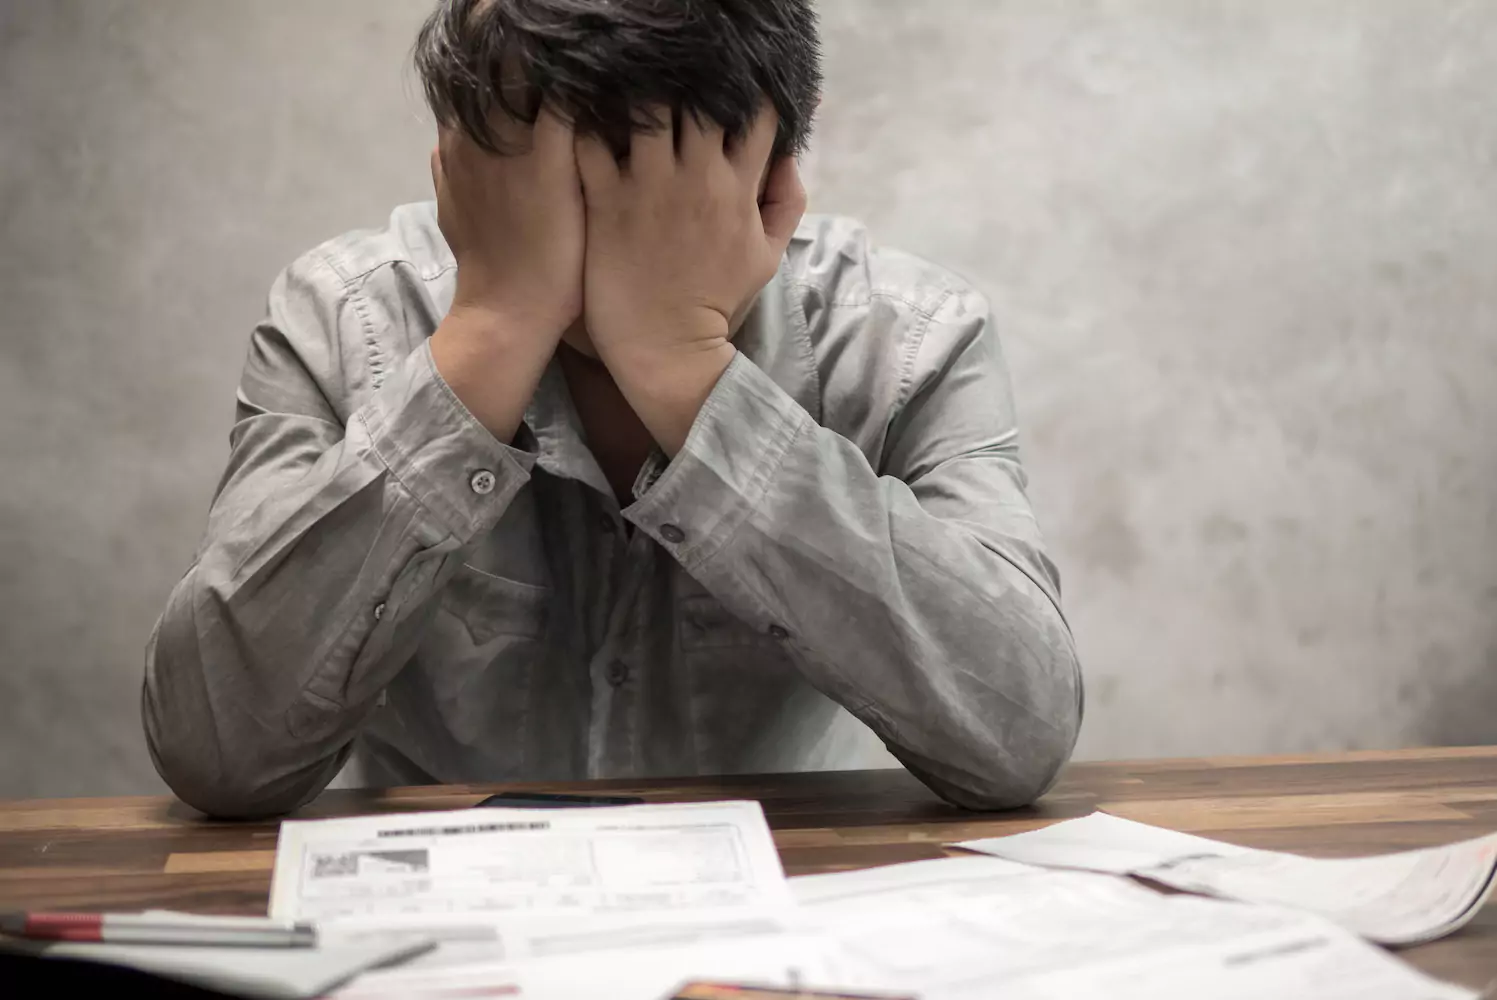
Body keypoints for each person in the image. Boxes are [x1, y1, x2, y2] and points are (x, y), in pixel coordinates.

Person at [142, 0, 1083, 819]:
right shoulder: (345, 316)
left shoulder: (904, 337)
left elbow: (1017, 738)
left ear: (775, 165)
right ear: (462, 166)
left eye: (644, 187)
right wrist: (494, 325)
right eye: (550, 194)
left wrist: (684, 368)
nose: (596, 245)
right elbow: (219, 757)